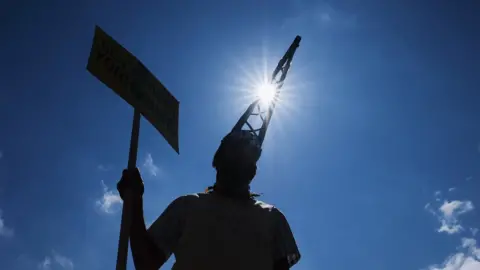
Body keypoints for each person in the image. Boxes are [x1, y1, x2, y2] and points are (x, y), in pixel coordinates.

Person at [117, 130, 301, 270]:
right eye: (232, 157)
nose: (236, 164)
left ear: (252, 171)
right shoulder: (186, 207)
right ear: (217, 162)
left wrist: (134, 200)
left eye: (243, 160)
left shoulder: (274, 219)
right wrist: (134, 200)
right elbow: (146, 263)